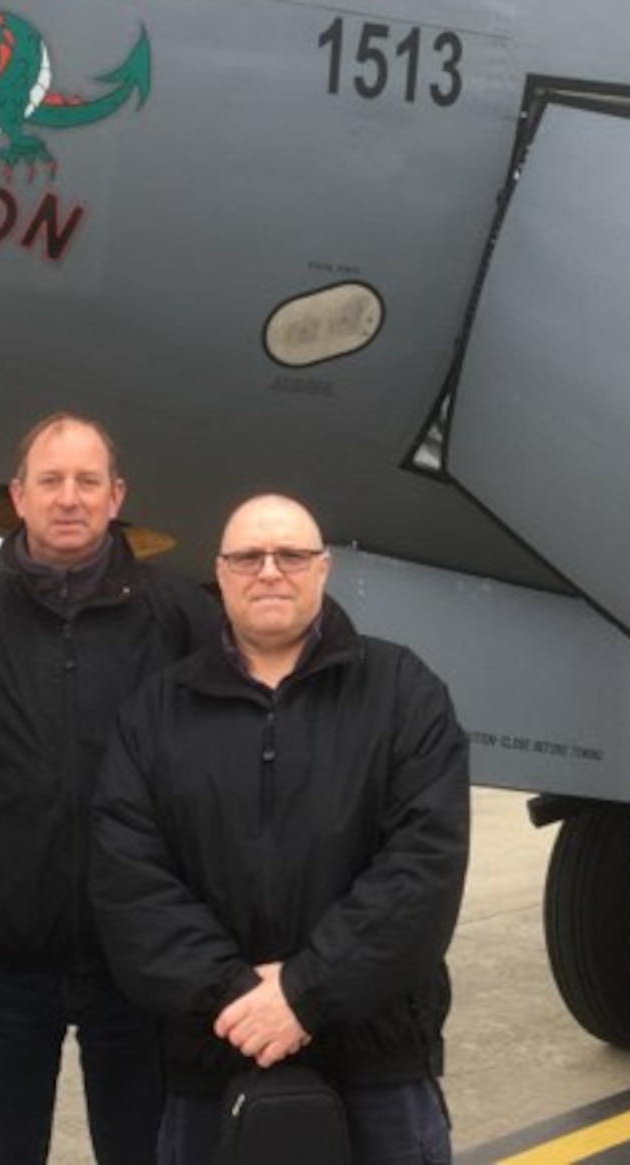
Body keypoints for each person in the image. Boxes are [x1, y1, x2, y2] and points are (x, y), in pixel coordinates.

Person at [90, 494, 472, 1165]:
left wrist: (304, 993)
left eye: (291, 554)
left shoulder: (404, 690)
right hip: (213, 1060)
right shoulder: (154, 712)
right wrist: (241, 999)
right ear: (220, 572)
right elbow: (130, 884)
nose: (270, 570)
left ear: (323, 568)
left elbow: (423, 868)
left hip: (378, 1066)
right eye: (248, 556)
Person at [0, 412, 219, 1165]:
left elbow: (225, 785)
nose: (68, 497)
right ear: (17, 496)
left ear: (117, 496)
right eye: (50, 480)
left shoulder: (184, 619)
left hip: (145, 962)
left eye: (86, 481)